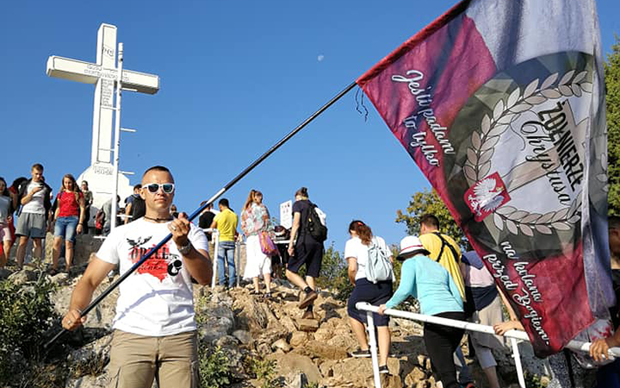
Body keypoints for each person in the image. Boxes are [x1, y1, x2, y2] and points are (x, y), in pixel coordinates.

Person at [62, 165, 212, 388]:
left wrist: (184, 245)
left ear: (173, 192)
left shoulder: (192, 232)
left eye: (166, 187)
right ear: (142, 192)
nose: (160, 192)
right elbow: (90, 280)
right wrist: (75, 308)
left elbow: (205, 277)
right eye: (153, 187)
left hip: (180, 337)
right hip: (131, 336)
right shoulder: (122, 234)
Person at [379, 235, 464, 388]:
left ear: (405, 255)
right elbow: (456, 294)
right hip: (457, 315)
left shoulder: (410, 263)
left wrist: (388, 305)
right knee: (440, 362)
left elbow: (404, 289)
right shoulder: (438, 266)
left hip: (436, 317)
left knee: (447, 374)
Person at [418, 214, 474, 388]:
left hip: (441, 295)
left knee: (440, 340)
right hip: (459, 294)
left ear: (423, 226)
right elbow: (462, 270)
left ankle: (455, 380)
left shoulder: (424, 240)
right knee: (449, 339)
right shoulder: (451, 241)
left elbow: (419, 266)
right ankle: (458, 378)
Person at [345, 220, 393, 373]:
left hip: (365, 282)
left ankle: (365, 347)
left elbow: (352, 268)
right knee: (382, 320)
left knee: (352, 309)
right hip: (385, 284)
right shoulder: (380, 240)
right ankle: (383, 364)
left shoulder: (352, 243)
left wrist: (353, 281)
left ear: (352, 232)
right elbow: (390, 261)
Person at [461, 248, 503, 388]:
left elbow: (462, 278)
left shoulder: (464, 259)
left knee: (481, 346)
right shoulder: (491, 259)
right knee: (486, 341)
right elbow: (501, 285)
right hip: (492, 299)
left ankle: (494, 384)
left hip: (473, 300)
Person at [287, 187, 324, 314]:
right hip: (318, 244)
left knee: (289, 272)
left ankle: (308, 291)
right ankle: (309, 311)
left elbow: (296, 223)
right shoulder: (315, 207)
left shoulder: (298, 205)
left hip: (304, 241)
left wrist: (291, 243)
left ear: (298, 196)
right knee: (310, 275)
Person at [16, 163, 52, 269]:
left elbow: (47, 205)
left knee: (38, 241)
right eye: (36, 174)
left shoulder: (45, 187)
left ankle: (37, 265)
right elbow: (22, 201)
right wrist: (32, 193)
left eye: (40, 174)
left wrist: (48, 221)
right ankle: (19, 265)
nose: (38, 176)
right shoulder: (25, 185)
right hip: (26, 212)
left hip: (39, 214)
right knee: (23, 240)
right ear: (32, 172)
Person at [241, 189, 274, 297]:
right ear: (255, 197)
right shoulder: (262, 208)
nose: (261, 198)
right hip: (262, 236)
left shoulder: (245, 211)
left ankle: (257, 289)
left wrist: (249, 232)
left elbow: (243, 226)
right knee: (266, 261)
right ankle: (268, 289)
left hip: (251, 239)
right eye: (260, 196)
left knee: (252, 262)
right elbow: (268, 222)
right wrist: (271, 235)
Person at [51, 174, 85, 273]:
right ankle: (54, 266)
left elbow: (82, 208)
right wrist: (54, 220)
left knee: (68, 242)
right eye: (66, 182)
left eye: (69, 182)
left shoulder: (78, 194)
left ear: (73, 182)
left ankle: (67, 267)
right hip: (60, 218)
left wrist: (80, 223)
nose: (68, 185)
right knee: (56, 241)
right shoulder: (60, 194)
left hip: (72, 218)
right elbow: (58, 207)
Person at [210, 198, 238, 287]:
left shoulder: (219, 215)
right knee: (231, 262)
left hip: (221, 240)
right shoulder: (234, 215)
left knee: (221, 262)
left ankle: (222, 282)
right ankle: (232, 282)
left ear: (220, 206)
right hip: (231, 240)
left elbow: (211, 228)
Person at [0, 178, 15, 267]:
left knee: (8, 244)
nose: (1, 187)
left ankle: (2, 267)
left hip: (4, 224)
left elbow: (9, 212)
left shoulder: (7, 199)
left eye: (3, 185)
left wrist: (9, 216)